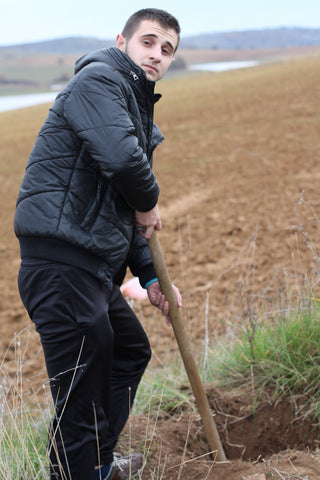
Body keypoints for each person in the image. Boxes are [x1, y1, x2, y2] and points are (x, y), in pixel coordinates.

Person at [14, 8, 182, 480]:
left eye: (167, 49)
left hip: (91, 268)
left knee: (130, 351)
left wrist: (150, 276)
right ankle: (78, 471)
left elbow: (121, 211)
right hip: (62, 265)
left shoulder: (133, 104)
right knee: (81, 395)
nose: (157, 54)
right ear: (122, 41)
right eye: (148, 41)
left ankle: (96, 465)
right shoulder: (100, 81)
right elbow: (127, 167)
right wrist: (149, 200)